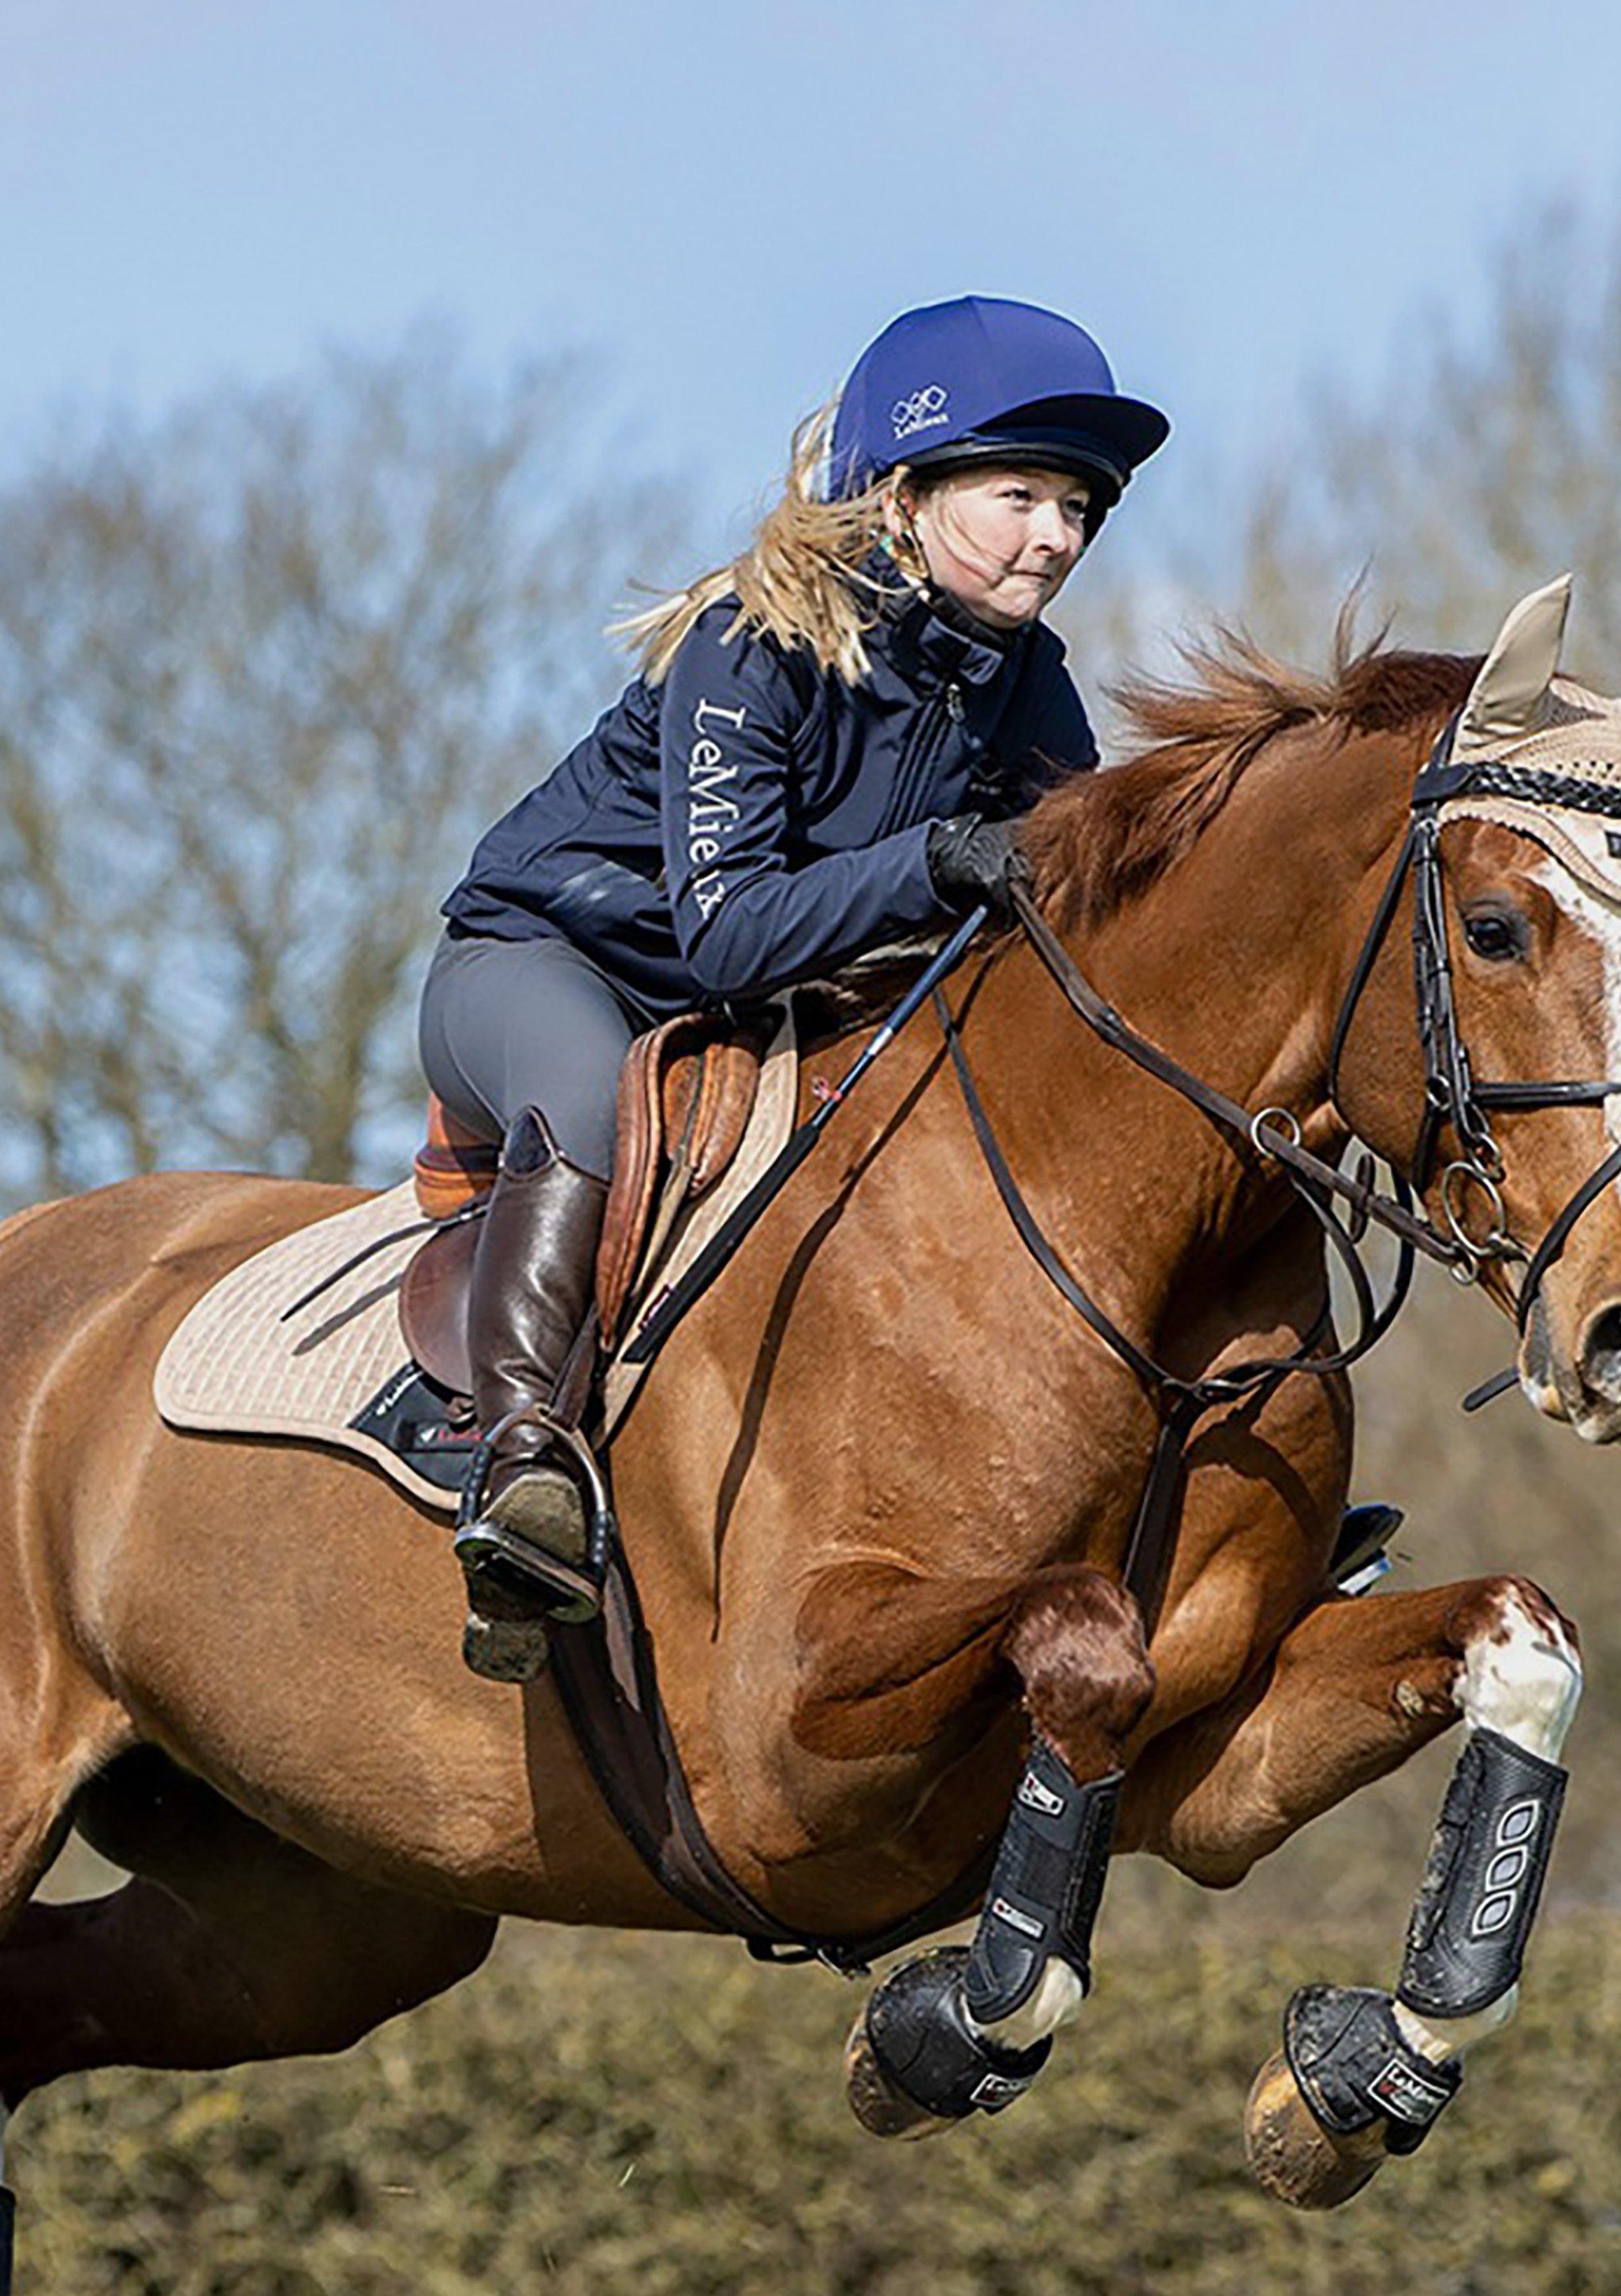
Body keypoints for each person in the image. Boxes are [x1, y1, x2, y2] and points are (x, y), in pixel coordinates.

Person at [419, 295, 1171, 1679]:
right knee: (592, 1096)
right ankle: (522, 1466)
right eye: (1017, 496)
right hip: (546, 967)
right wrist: (942, 861)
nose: (1055, 536)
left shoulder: (1027, 688)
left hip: (767, 1011)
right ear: (903, 493)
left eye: (1077, 507)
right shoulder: (750, 645)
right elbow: (724, 937)